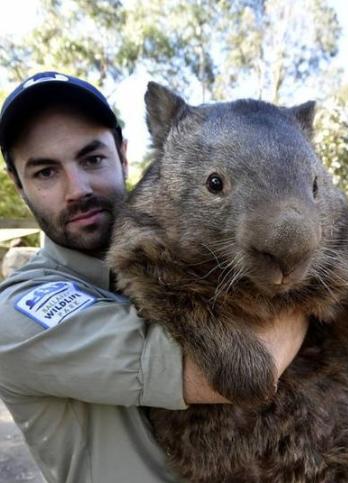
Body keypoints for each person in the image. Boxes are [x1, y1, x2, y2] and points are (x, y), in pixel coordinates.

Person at [0, 71, 308, 483]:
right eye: (45, 173)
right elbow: (250, 367)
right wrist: (302, 283)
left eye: (92, 159)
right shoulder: (17, 315)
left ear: (124, 156)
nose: (77, 189)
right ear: (19, 186)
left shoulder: (192, 250)